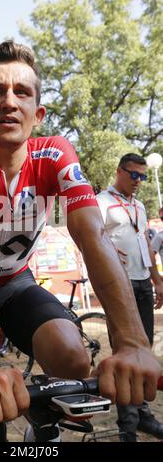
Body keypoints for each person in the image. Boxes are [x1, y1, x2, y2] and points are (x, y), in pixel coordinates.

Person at [0, 41, 161, 442]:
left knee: (72, 356)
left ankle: (40, 424)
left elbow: (92, 234)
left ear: (38, 113)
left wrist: (132, 342)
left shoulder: (54, 154)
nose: (9, 101)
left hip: (16, 283)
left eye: (22, 92)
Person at [97, 153, 163, 442]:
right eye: (134, 174)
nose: (138, 181)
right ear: (119, 171)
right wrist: (107, 251)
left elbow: (145, 242)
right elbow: (90, 235)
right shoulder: (102, 201)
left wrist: (158, 280)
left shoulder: (138, 205)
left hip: (142, 283)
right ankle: (128, 424)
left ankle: (143, 414)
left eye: (143, 176)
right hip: (118, 287)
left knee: (143, 349)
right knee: (125, 351)